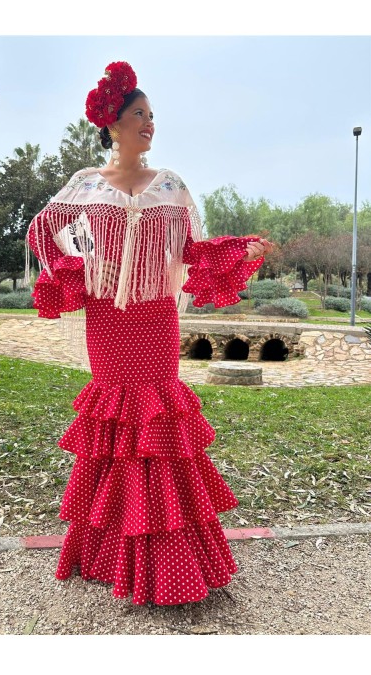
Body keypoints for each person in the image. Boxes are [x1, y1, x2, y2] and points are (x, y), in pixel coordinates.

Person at [26, 61, 273, 606]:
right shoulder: (86, 185)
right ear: (113, 124)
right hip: (108, 320)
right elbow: (42, 232)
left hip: (157, 317)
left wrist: (240, 251)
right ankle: (107, 555)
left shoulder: (171, 186)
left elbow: (192, 250)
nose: (149, 123)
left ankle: (170, 561)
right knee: (115, 424)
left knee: (158, 422)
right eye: (139, 114)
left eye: (152, 115)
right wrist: (79, 269)